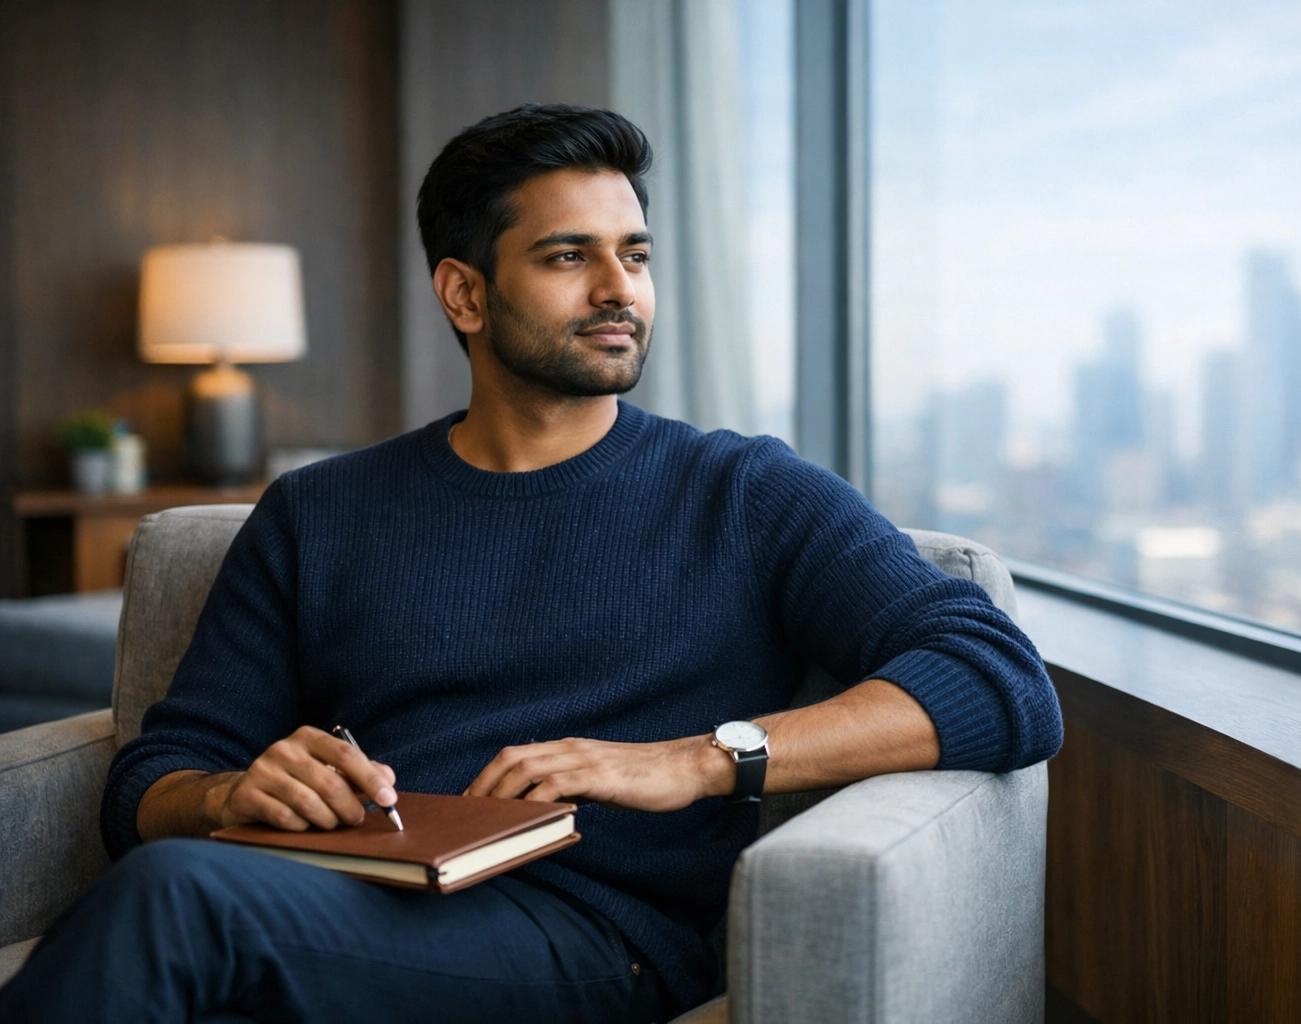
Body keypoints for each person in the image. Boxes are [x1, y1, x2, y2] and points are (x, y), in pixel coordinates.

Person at [0, 104, 1062, 1023]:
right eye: (569, 256)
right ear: (465, 294)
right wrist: (236, 788)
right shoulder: (318, 510)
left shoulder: (744, 492)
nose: (618, 287)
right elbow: (151, 776)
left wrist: (696, 757)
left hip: (596, 931)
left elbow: (997, 678)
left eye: (635, 254)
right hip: (339, 897)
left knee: (175, 901)